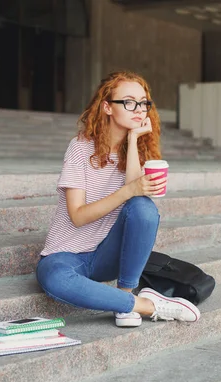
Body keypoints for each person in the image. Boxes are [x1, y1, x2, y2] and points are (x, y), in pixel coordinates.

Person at [36, 71, 200, 328]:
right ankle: (143, 305)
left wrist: (133, 139)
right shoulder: (80, 148)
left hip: (107, 257)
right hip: (67, 255)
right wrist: (129, 190)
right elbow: (78, 216)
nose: (139, 109)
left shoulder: (140, 151)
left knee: (143, 207)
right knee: (54, 279)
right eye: (129, 102)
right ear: (107, 107)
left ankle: (125, 292)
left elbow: (136, 201)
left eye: (144, 103)